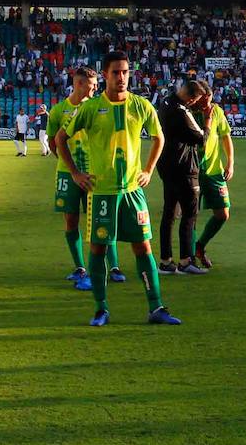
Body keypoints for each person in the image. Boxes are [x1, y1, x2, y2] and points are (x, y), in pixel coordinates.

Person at [58, 51, 179, 327]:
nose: (122, 77)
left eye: (125, 72)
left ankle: (156, 307)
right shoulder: (89, 108)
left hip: (132, 192)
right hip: (101, 193)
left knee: (143, 248)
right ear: (105, 75)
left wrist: (148, 170)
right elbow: (60, 138)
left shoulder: (141, 106)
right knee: (99, 250)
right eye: (116, 72)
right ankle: (101, 309)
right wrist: (75, 173)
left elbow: (159, 138)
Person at [49, 67, 121, 290]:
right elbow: (53, 142)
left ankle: (114, 266)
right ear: (78, 84)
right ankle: (80, 267)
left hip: (94, 172)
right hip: (68, 174)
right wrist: (70, 167)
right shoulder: (59, 110)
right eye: (92, 86)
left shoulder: (98, 107)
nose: (95, 89)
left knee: (102, 219)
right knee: (71, 220)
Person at [156, 80, 210, 275]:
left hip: (166, 164)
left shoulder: (165, 103)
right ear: (191, 97)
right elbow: (200, 138)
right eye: (196, 99)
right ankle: (186, 261)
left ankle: (165, 261)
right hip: (183, 167)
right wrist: (208, 121)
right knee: (189, 214)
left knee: (169, 213)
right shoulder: (180, 111)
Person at [193, 83, 234, 270]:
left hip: (214, 171)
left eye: (209, 99)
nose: (207, 104)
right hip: (192, 170)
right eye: (204, 100)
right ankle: (189, 255)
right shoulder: (189, 111)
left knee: (223, 213)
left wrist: (230, 162)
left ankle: (199, 246)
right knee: (191, 215)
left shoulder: (216, 111)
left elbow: (225, 136)